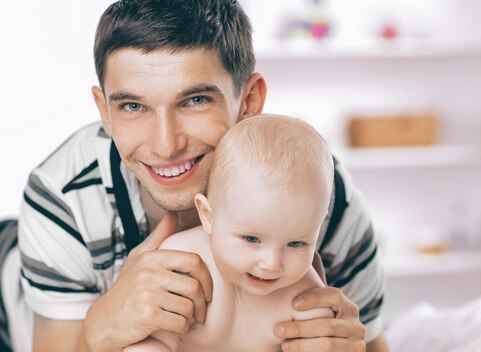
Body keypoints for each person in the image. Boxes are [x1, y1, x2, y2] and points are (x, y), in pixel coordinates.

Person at [1, 1, 388, 351]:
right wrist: (99, 329)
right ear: (104, 111)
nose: (166, 145)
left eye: (196, 101)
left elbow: (374, 342)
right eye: (133, 106)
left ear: (249, 100)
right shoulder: (62, 197)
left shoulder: (319, 194)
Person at [126, 114, 337, 352]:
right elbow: (150, 342)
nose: (272, 264)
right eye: (251, 239)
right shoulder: (181, 263)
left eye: (297, 243)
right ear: (208, 216)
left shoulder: (305, 297)